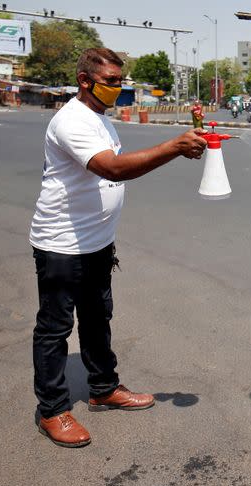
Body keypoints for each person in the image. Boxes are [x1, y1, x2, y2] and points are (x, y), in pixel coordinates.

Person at [29, 48, 209, 448]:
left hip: (96, 242)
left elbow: (120, 166)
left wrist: (179, 148)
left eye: (119, 80)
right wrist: (173, 147)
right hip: (61, 244)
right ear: (84, 80)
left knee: (97, 319)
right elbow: (111, 168)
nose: (118, 88)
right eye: (110, 81)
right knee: (55, 329)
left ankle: (103, 387)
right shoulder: (71, 120)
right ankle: (52, 410)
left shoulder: (98, 118)